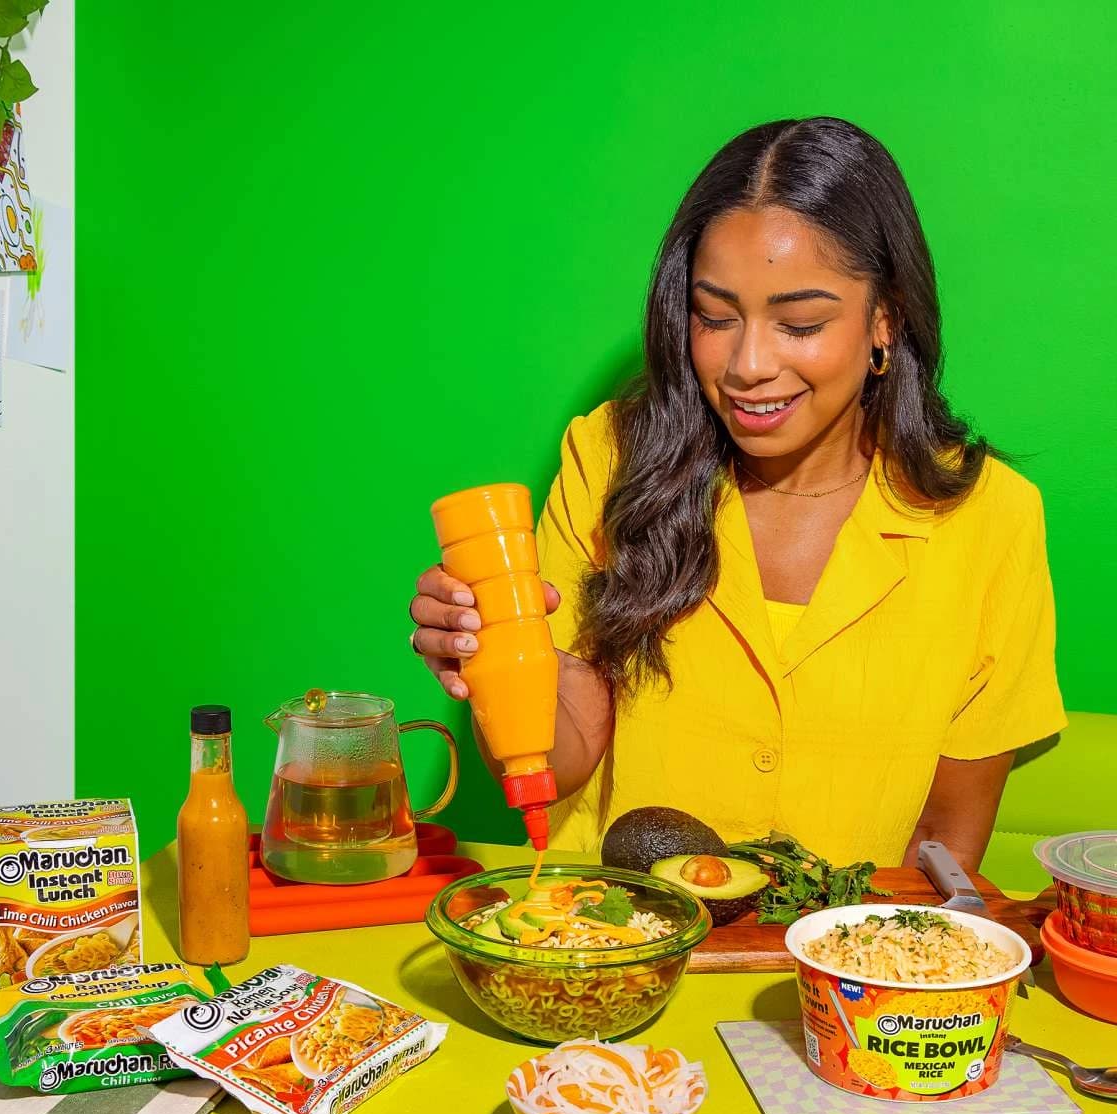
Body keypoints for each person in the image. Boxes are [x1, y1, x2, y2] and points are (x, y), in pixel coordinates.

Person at [409, 117, 1066, 870]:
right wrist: (498, 657)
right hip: (616, 947)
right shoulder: (607, 461)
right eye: (714, 316)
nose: (748, 365)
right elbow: (556, 764)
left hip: (846, 975)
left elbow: (941, 855)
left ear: (886, 317)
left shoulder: (990, 518)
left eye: (800, 322)